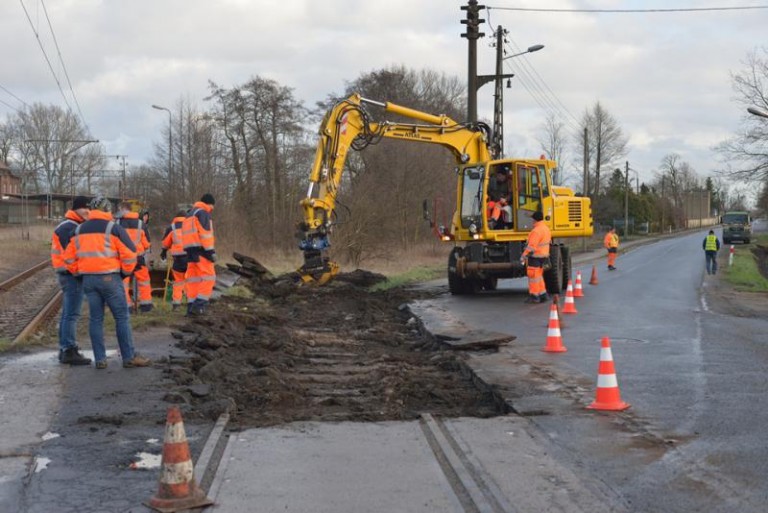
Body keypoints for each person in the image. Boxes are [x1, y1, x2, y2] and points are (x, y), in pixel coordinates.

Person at [64, 196, 151, 369]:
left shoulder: (79, 230)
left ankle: (100, 360)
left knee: (96, 319)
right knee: (121, 317)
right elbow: (130, 253)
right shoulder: (113, 228)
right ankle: (128, 357)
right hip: (111, 278)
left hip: (89, 280)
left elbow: (68, 258)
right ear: (108, 210)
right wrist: (125, 273)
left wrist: (80, 274)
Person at [51, 196, 92, 365]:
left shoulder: (70, 225)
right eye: (84, 209)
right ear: (76, 209)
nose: (87, 212)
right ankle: (69, 349)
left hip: (68, 274)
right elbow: (72, 255)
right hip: (71, 275)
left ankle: (65, 349)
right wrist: (80, 272)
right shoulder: (69, 227)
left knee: (68, 314)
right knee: (72, 314)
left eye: (89, 209)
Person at [182, 193, 216, 315]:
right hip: (201, 250)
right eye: (212, 206)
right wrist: (211, 252)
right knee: (209, 277)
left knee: (193, 279)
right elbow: (205, 234)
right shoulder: (203, 213)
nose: (212, 209)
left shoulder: (189, 214)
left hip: (190, 252)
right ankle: (199, 305)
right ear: (209, 204)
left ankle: (191, 308)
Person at [116, 202, 153, 312]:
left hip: (123, 258)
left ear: (123, 209)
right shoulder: (141, 224)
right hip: (138, 258)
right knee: (144, 281)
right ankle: (146, 305)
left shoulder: (117, 223)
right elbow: (147, 244)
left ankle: (127, 306)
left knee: (123, 282)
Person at [161, 209, 189, 310]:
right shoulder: (190, 226)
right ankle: (191, 302)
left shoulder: (171, 228)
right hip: (190, 258)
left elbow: (165, 243)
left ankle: (176, 304)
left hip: (178, 260)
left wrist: (163, 251)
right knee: (190, 280)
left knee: (178, 281)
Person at [520, 210, 551, 303]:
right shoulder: (546, 228)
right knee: (538, 277)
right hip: (544, 256)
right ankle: (543, 294)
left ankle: (534, 296)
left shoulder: (536, 231)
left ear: (535, 220)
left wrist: (523, 256)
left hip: (535, 257)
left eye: (532, 219)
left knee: (533, 277)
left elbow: (531, 247)